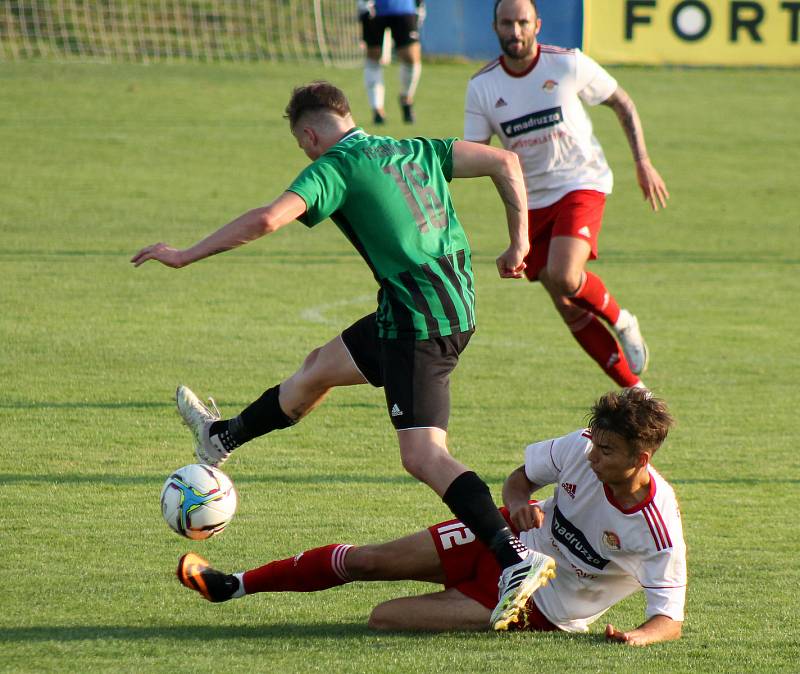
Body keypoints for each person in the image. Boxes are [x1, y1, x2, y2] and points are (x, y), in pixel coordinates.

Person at [132, 80, 554, 631]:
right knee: (318, 368)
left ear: (309, 134)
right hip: (439, 303)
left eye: (302, 144)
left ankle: (513, 559)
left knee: (423, 456)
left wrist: (186, 254)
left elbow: (266, 219)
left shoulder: (333, 166)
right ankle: (221, 438)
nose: (305, 153)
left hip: (416, 322)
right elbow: (504, 161)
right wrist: (518, 242)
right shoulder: (411, 147)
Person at [177, 388, 686, 644]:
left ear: (641, 460)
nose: (592, 456)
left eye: (607, 451)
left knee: (385, 618)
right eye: (594, 443)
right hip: (504, 544)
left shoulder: (657, 527)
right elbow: (518, 480)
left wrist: (638, 637)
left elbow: (669, 619)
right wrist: (515, 505)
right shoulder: (580, 448)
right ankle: (233, 585)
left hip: (542, 606)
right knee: (368, 561)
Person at [464, 0, 671, 389]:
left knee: (563, 274)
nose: (515, 31)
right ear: (495, 27)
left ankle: (622, 320)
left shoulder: (566, 64)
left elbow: (621, 101)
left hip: (581, 182)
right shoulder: (482, 86)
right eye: (506, 23)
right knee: (564, 301)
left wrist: (642, 161)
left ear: (537, 25)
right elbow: (476, 153)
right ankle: (635, 390)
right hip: (531, 202)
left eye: (522, 22)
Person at [358, 0, 425, 124]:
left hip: (404, 8)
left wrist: (420, 6)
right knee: (373, 55)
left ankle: (406, 97)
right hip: (373, 8)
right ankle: (377, 109)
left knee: (411, 56)